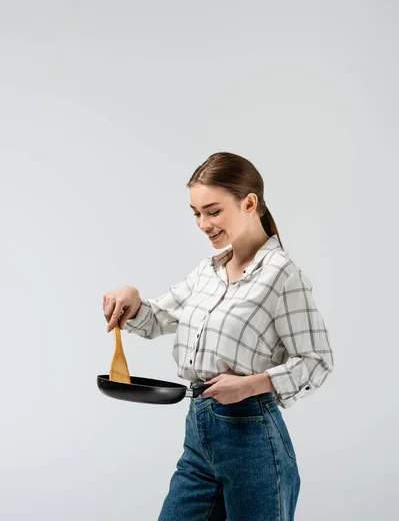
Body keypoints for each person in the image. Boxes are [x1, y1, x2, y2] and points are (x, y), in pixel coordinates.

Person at [102, 151, 334, 521]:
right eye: (196, 213)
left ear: (249, 203)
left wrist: (250, 385)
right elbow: (156, 317)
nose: (202, 223)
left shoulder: (281, 275)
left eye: (213, 211)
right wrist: (131, 297)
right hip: (199, 434)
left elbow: (317, 361)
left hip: (252, 437)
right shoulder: (208, 272)